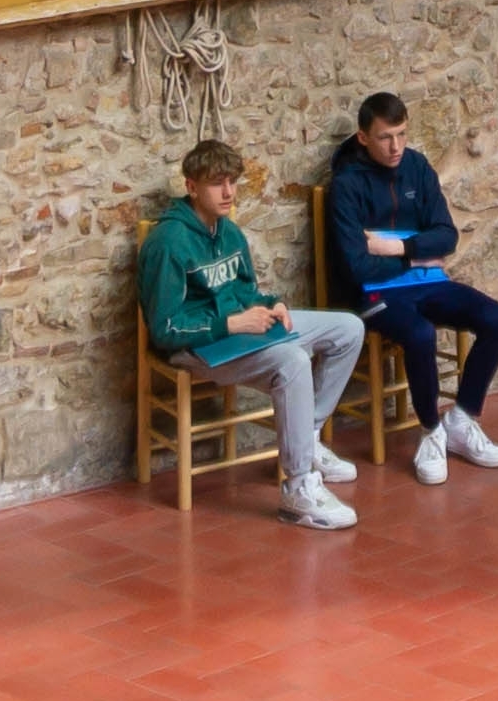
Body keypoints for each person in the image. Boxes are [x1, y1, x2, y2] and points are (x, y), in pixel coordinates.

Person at [138, 139, 366, 532]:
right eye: (216, 184)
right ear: (192, 187)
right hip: (197, 347)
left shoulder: (229, 232)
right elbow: (165, 329)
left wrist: (271, 303)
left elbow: (245, 293)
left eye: (232, 182)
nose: (228, 192)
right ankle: (297, 490)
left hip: (239, 333)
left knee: (348, 328)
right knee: (293, 360)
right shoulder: (168, 243)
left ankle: (305, 437)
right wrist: (229, 324)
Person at [310, 91, 498, 484]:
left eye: (402, 134)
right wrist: (414, 255)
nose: (396, 146)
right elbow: (356, 265)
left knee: (496, 317)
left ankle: (463, 418)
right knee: (419, 334)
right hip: (373, 292)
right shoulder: (346, 185)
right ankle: (431, 432)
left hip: (428, 282)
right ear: (364, 137)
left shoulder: (417, 167)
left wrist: (396, 247)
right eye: (386, 137)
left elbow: (447, 237)